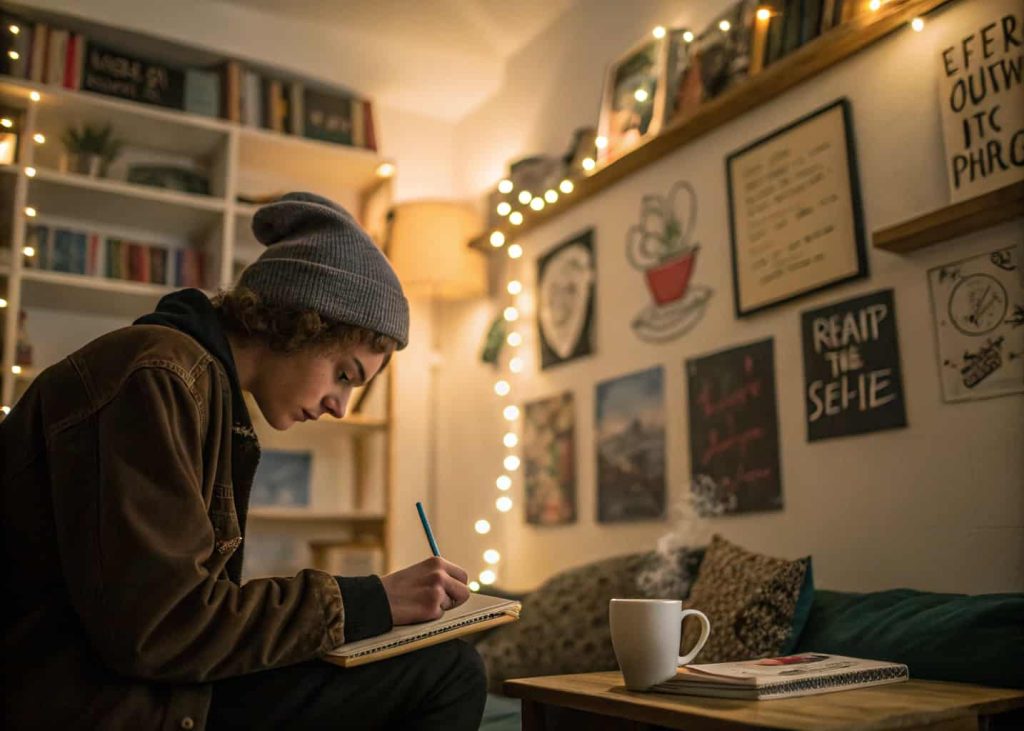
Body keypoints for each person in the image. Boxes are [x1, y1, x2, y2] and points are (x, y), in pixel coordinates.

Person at [0, 192, 487, 730]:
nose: (338, 407)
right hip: (94, 701)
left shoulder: (198, 386)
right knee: (447, 673)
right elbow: (164, 628)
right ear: (304, 322)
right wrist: (367, 602)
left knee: (439, 667)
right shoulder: (158, 376)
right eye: (345, 375)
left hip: (138, 688)